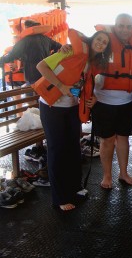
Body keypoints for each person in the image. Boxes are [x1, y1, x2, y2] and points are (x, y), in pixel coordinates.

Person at [35, 29, 111, 211]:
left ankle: (75, 187)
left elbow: (86, 89)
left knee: (73, 149)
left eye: (105, 43)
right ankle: (59, 197)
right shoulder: (70, 51)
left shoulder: (93, 65)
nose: (100, 43)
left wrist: (93, 99)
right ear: (92, 40)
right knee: (57, 150)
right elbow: (41, 66)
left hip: (71, 108)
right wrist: (60, 85)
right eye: (99, 39)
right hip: (52, 106)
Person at [93, 13, 132, 189]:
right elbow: (86, 60)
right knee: (107, 140)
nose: (124, 29)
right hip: (103, 102)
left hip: (128, 100)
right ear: (115, 25)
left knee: (123, 138)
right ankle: (107, 175)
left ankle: (123, 173)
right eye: (120, 25)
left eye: (127, 26)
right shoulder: (104, 42)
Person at [0, 19, 62, 162]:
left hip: (33, 80)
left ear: (27, 28)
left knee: (34, 109)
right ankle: (46, 141)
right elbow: (59, 46)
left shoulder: (25, 41)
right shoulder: (45, 38)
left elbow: (10, 56)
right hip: (47, 78)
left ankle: (39, 146)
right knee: (45, 107)